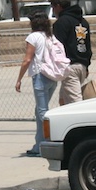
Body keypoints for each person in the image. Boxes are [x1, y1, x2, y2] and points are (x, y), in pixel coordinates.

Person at [14, 12, 58, 157]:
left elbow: (27, 59)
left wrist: (19, 78)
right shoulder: (49, 36)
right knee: (39, 111)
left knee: (42, 112)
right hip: (52, 76)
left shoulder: (33, 37)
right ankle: (38, 144)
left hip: (40, 76)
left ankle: (47, 143)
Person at [50, 0, 91, 105]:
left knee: (75, 103)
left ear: (58, 6)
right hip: (82, 65)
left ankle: (82, 122)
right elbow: (87, 44)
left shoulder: (61, 23)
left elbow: (58, 46)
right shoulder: (83, 22)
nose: (53, 11)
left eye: (53, 7)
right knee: (63, 100)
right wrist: (86, 65)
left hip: (69, 67)